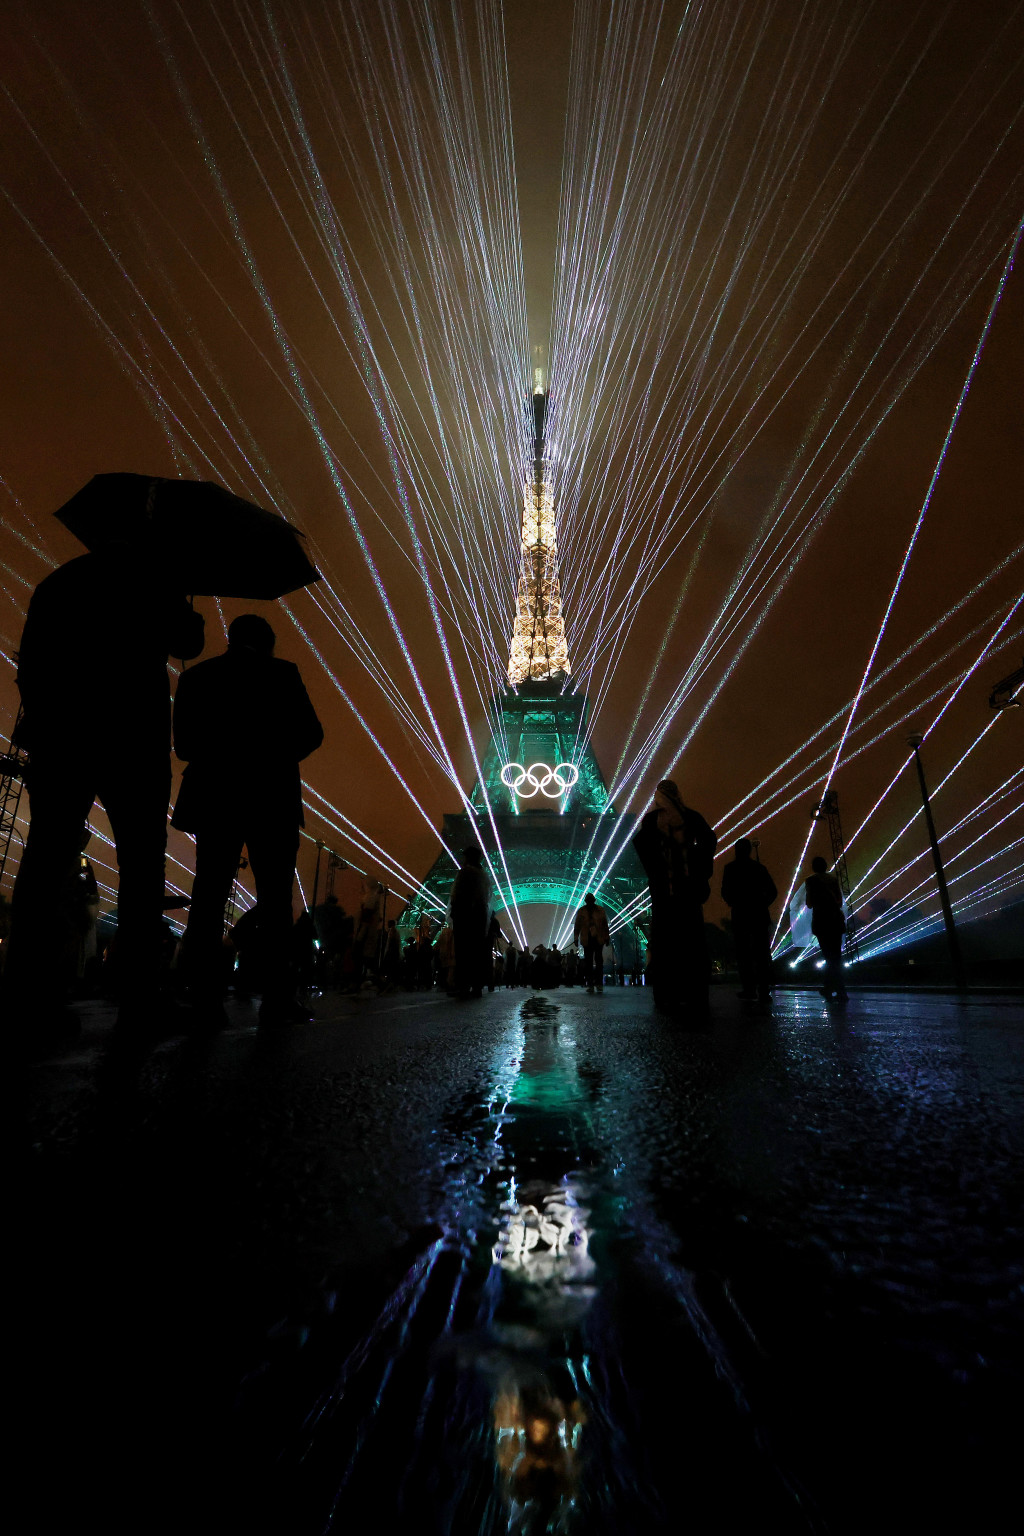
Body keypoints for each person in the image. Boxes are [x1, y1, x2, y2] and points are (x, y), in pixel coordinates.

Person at [4, 539, 204, 1031]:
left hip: (62, 734)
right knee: (141, 863)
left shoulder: (61, 581)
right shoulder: (155, 584)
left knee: (47, 854)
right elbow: (189, 644)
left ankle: (26, 986)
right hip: (131, 738)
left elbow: (29, 661)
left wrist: (50, 714)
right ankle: (138, 992)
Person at [172, 613, 323, 1025]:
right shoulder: (283, 674)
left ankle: (205, 1000)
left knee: (208, 897)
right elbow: (312, 734)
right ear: (269, 642)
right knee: (275, 901)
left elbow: (184, 746)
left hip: (215, 797)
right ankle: (277, 1000)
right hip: (271, 797)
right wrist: (271, 756)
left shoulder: (197, 677)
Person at [633, 778, 717, 1020]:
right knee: (691, 940)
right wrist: (697, 868)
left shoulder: (651, 821)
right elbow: (709, 841)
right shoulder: (691, 817)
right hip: (686, 889)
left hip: (665, 891)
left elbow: (640, 845)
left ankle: (666, 993)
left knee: (664, 941)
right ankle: (694, 992)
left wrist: (656, 869)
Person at [721, 838, 777, 1009]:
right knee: (761, 953)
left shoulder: (730, 868)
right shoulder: (759, 868)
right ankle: (764, 990)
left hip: (741, 914)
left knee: (744, 953)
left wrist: (734, 902)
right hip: (759, 914)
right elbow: (773, 891)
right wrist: (763, 903)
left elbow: (725, 891)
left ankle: (749, 989)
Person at [804, 855, 848, 1001]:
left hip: (821, 921)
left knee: (829, 956)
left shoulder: (811, 881)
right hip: (835, 920)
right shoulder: (833, 880)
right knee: (836, 956)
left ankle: (832, 988)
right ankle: (837, 989)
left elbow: (809, 903)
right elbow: (839, 902)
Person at [450, 846, 489, 998]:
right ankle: (477, 986)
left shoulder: (465, 872)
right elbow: (487, 898)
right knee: (477, 951)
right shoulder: (483, 875)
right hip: (479, 916)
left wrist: (455, 912)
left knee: (463, 950)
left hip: (465, 915)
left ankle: (463, 986)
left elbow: (457, 895)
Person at [573, 892, 610, 994]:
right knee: (593, 962)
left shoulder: (582, 911)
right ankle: (595, 984)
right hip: (591, 939)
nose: (590, 902)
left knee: (595, 962)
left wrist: (576, 938)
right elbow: (604, 925)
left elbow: (577, 927)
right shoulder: (599, 911)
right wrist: (607, 937)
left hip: (594, 939)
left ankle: (594, 984)